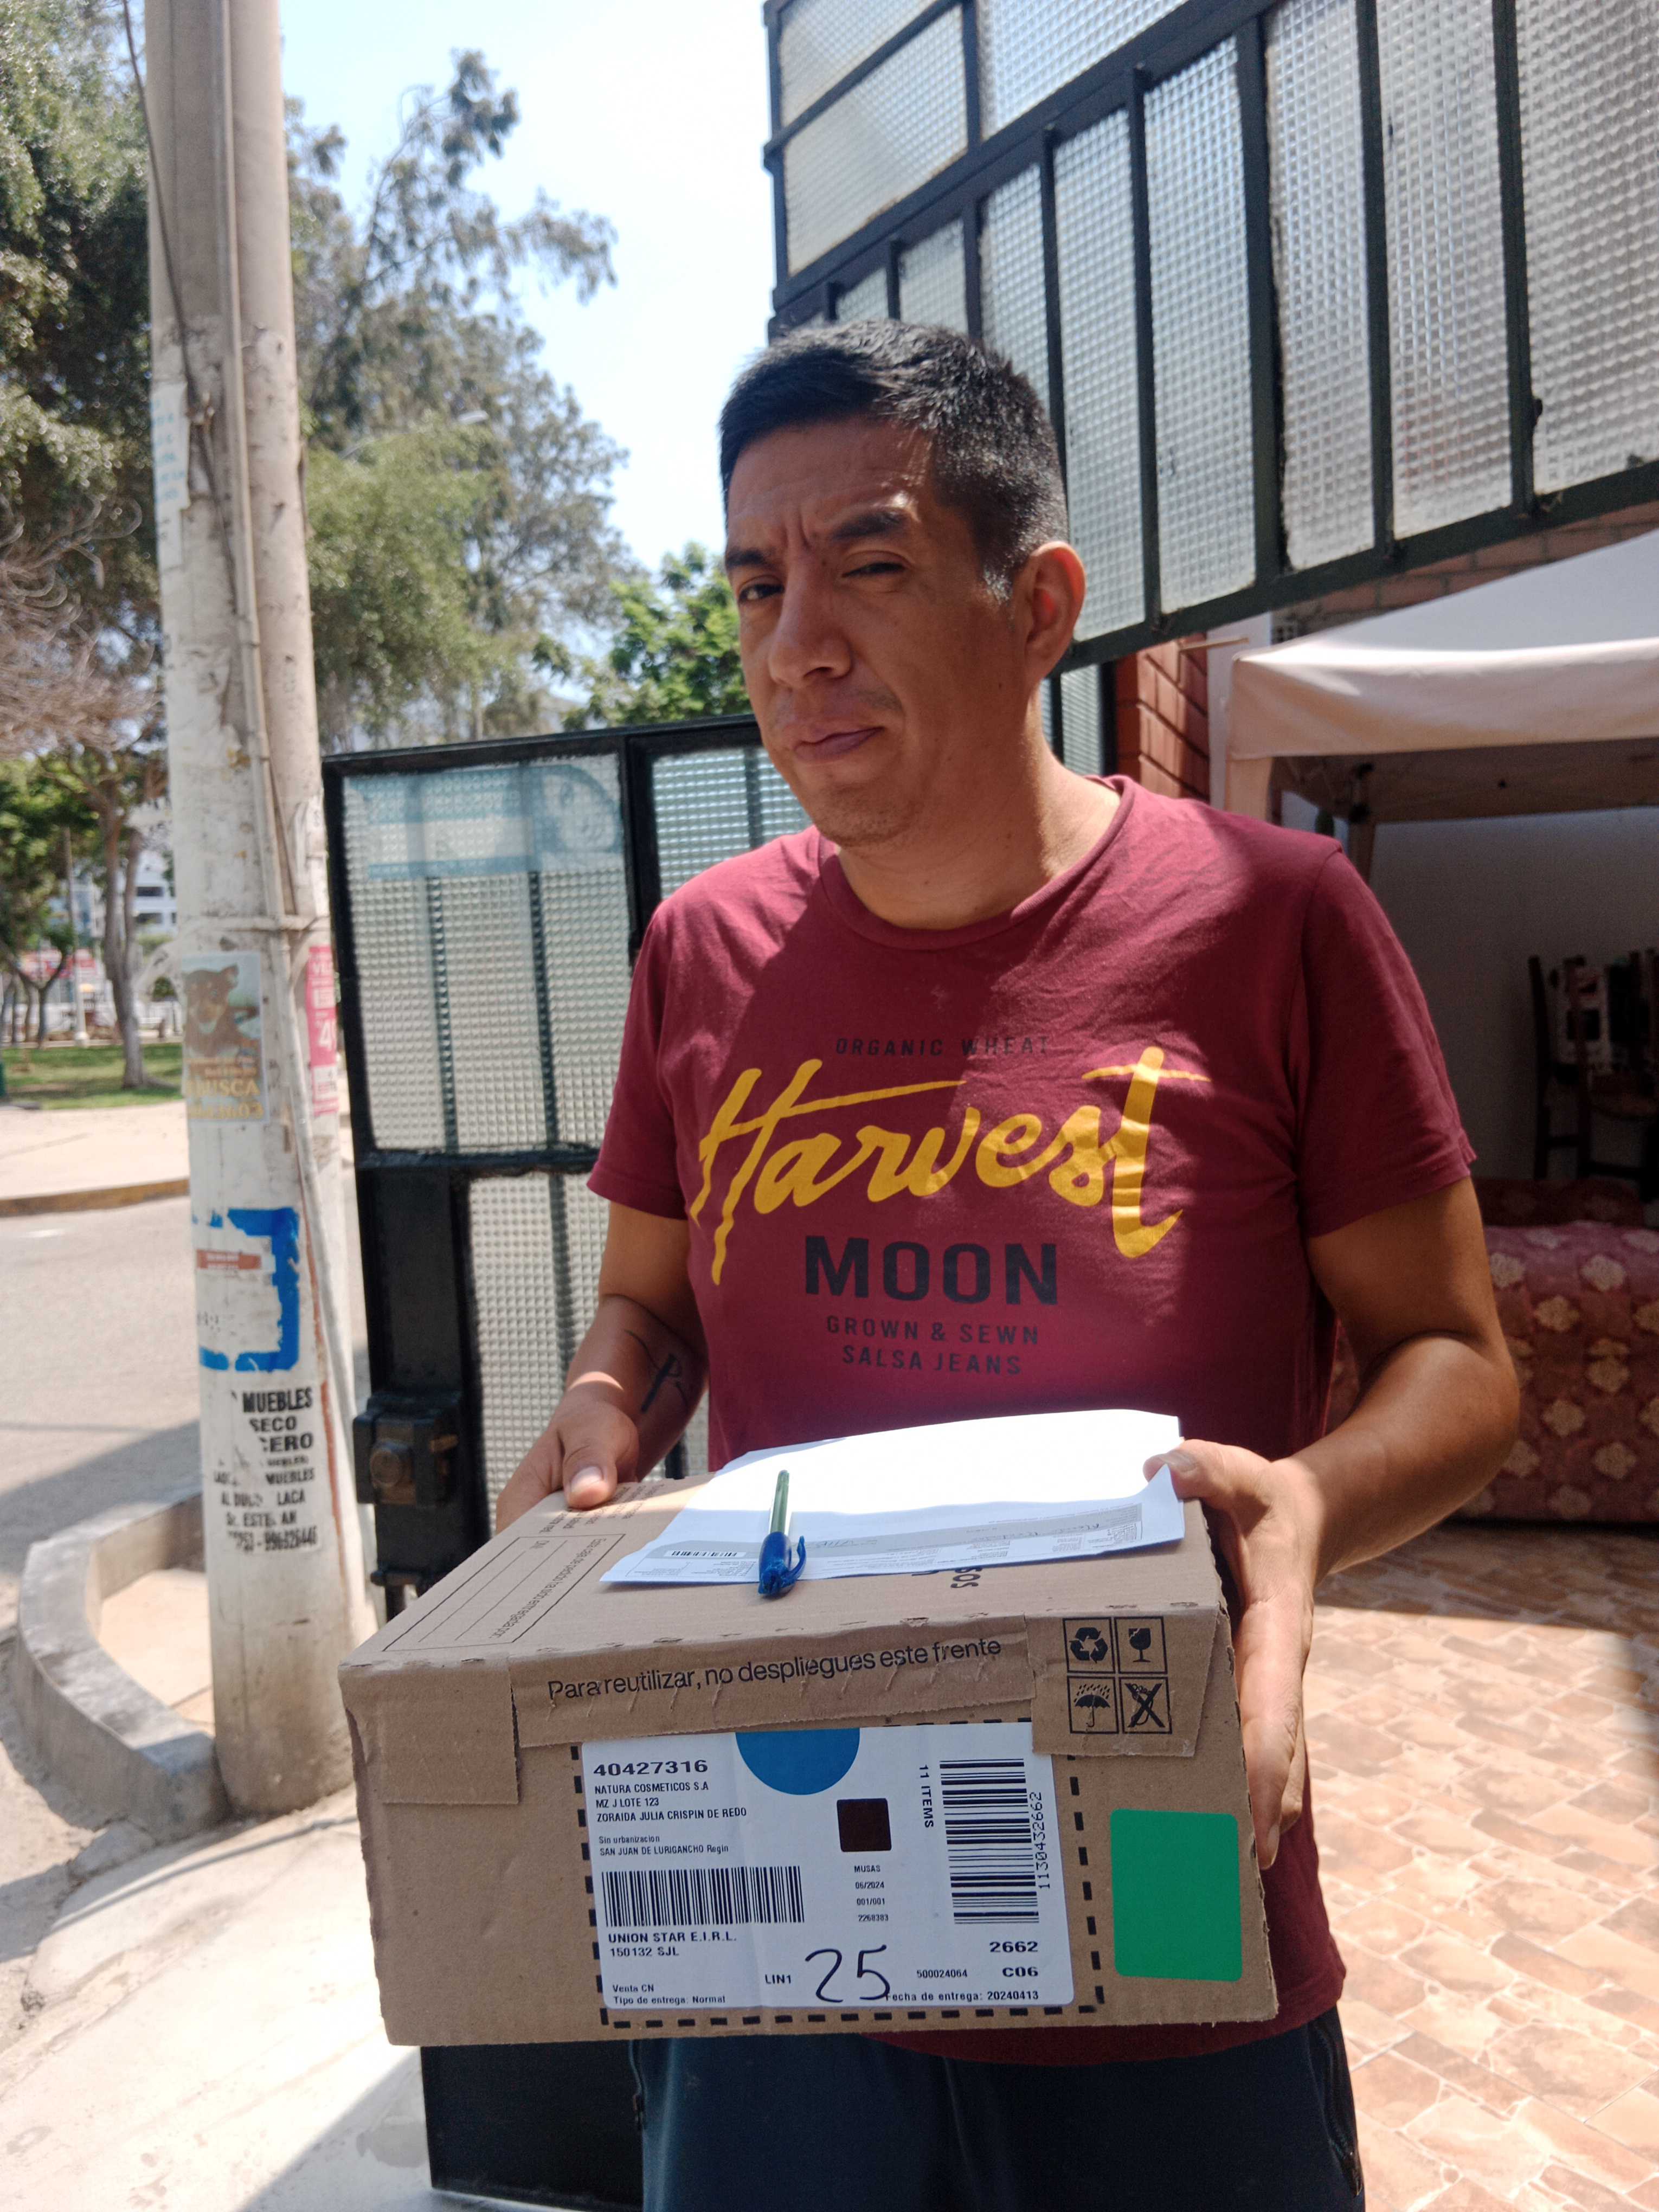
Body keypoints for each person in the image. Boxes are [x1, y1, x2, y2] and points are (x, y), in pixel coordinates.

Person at [498, 322, 1518, 2211]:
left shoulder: (1271, 924)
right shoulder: (701, 952)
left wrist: (1306, 1505)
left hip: (1157, 1868)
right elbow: (649, 1306)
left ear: (1035, 604)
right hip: (774, 1893)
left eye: (868, 565)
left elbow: (1454, 1360)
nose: (795, 644)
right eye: (755, 585)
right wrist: (599, 1407)